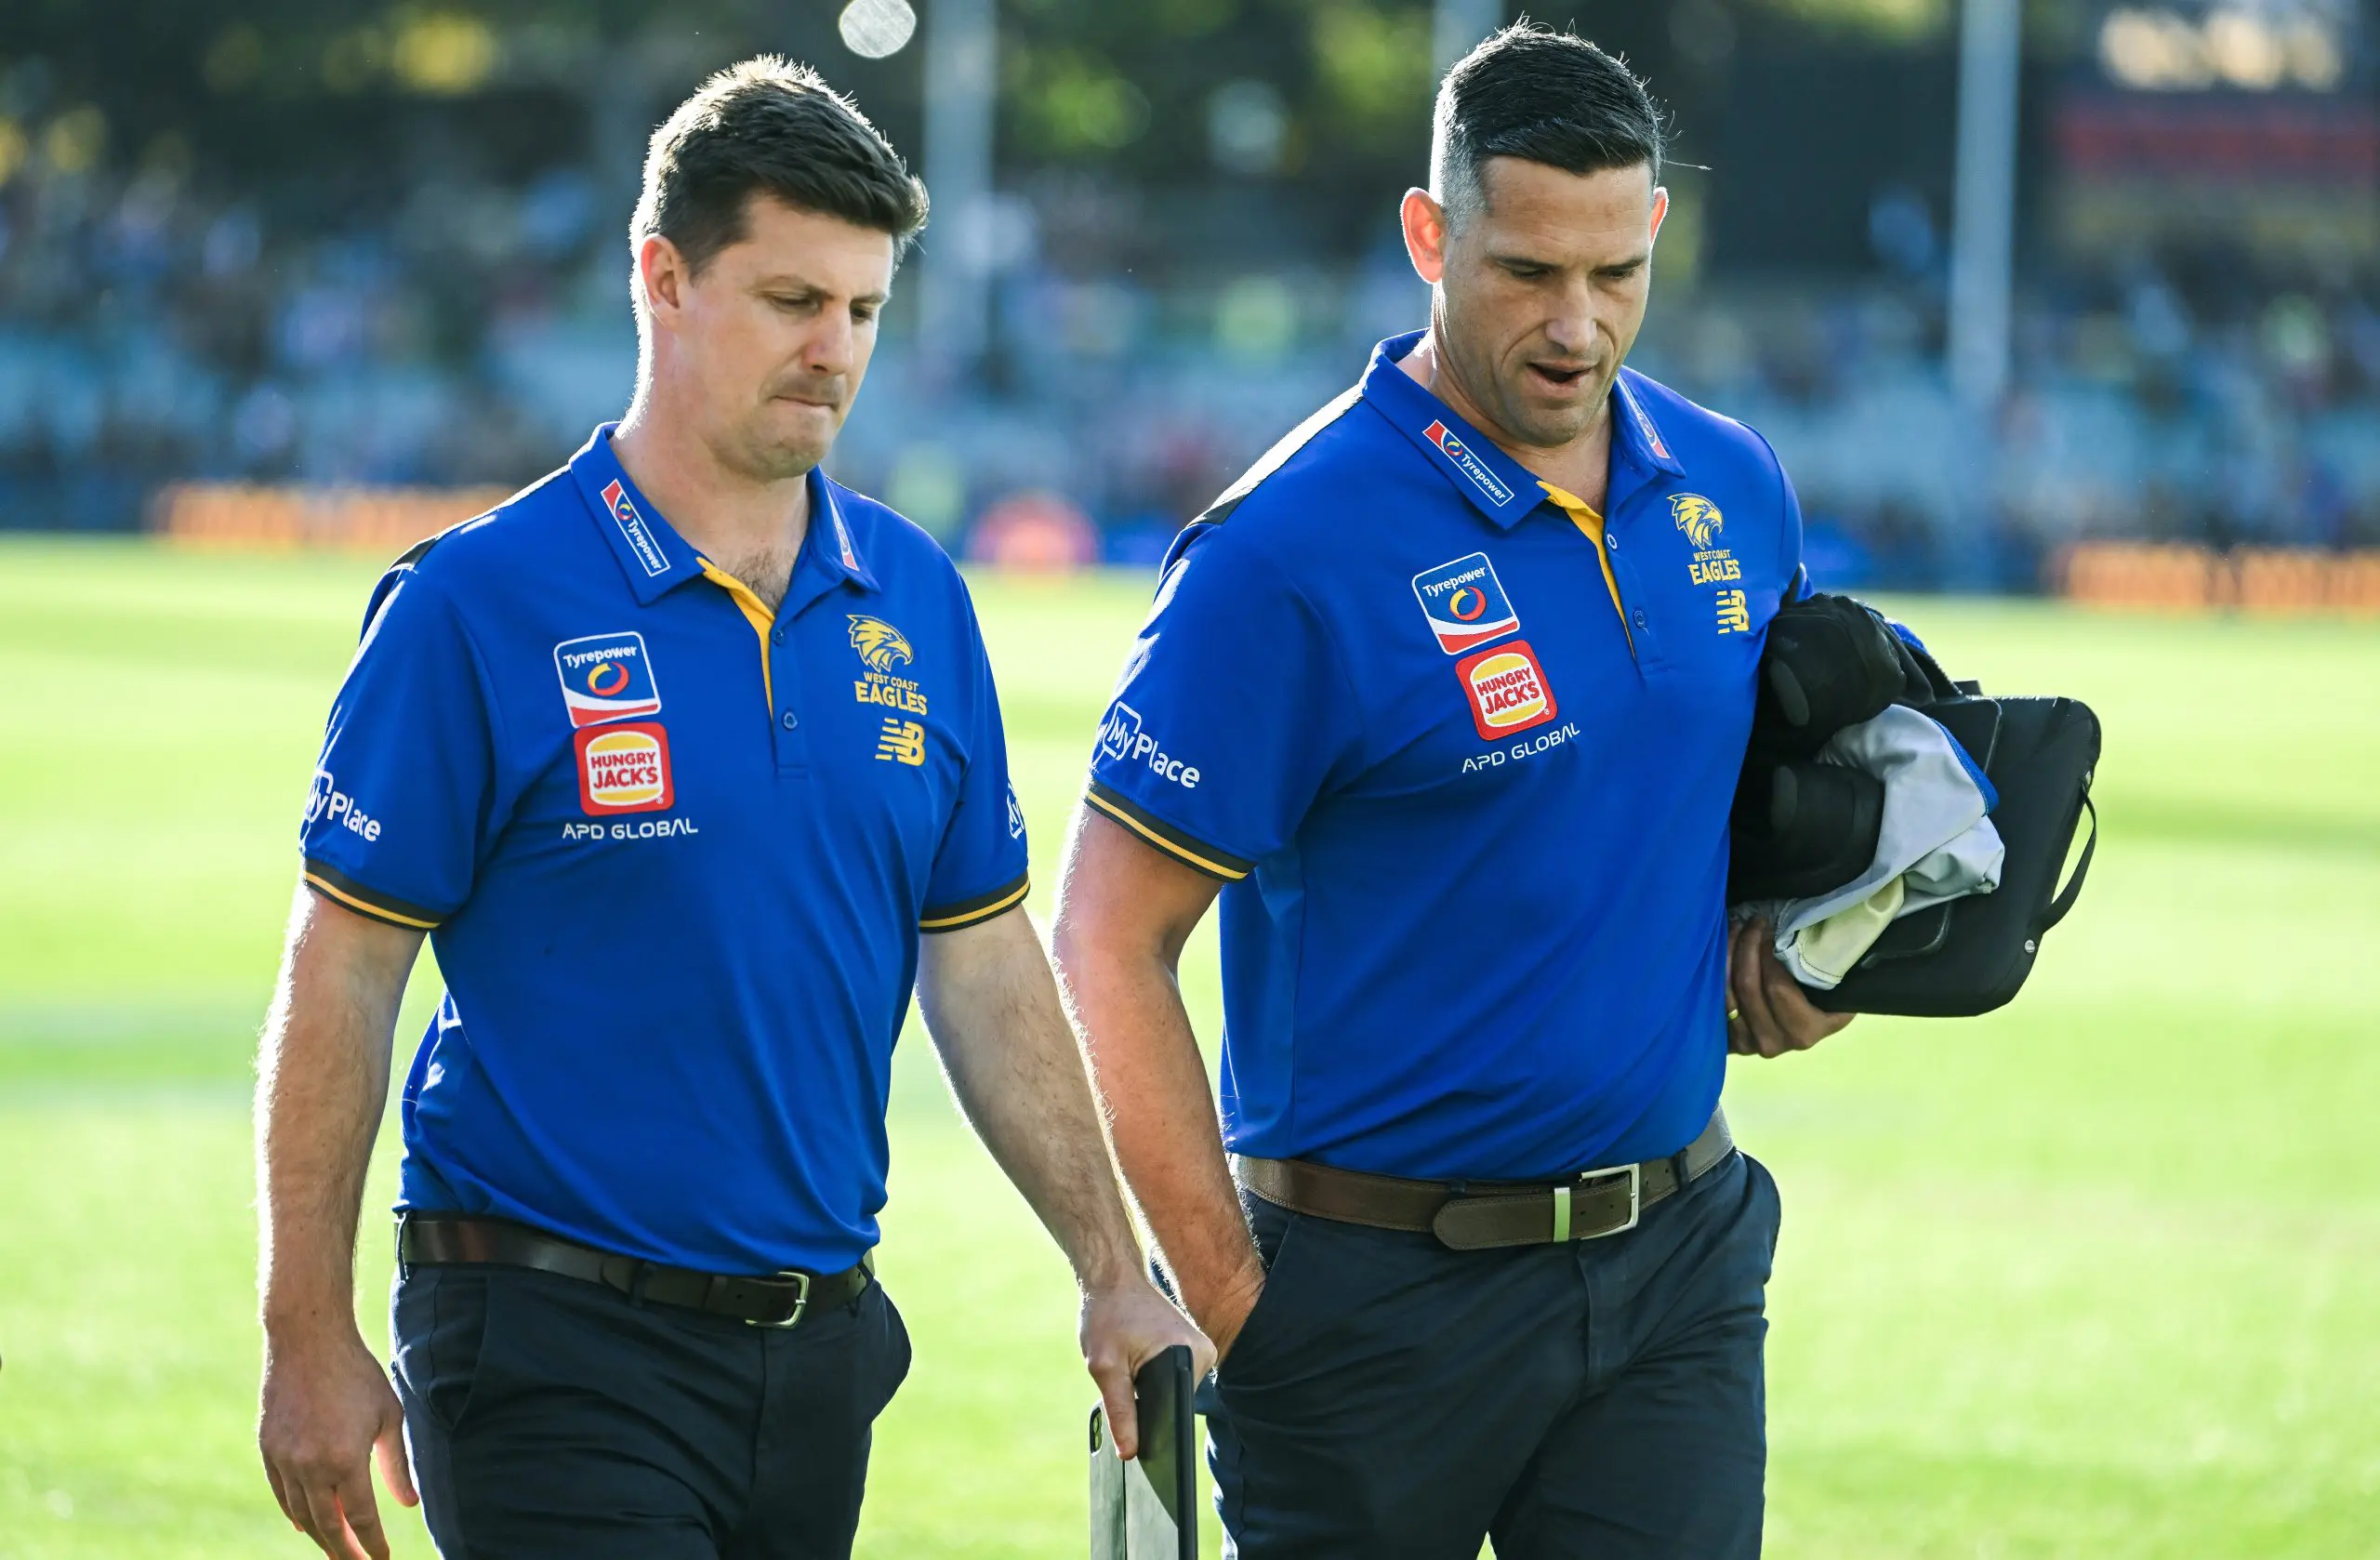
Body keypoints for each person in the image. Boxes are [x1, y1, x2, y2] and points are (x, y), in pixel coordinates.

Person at [255, 57, 1208, 1560]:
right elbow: (345, 971)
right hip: (550, 1332)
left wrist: (1110, 1260)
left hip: (818, 1350)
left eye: (864, 310)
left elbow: (983, 960)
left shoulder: (919, 598)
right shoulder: (475, 605)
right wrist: (302, 1328)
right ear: (664, 279)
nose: (835, 349)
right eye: (791, 301)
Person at [1051, 25, 1850, 1560]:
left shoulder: (1733, 482)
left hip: (1677, 1259)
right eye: (1528, 271)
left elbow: (1726, 795)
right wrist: (1231, 1297)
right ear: (1431, 235)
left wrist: (1802, 952)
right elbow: (1108, 936)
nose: (1578, 322)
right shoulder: (1286, 551)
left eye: (1616, 272)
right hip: (1367, 1302)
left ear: (1658, 235)